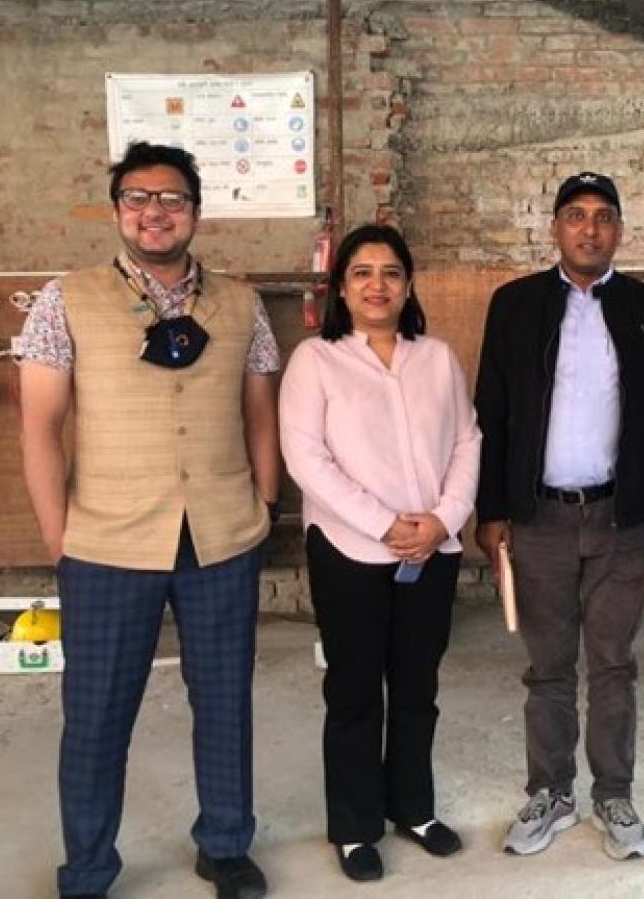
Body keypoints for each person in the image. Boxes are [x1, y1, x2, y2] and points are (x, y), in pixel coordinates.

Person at [17, 142, 279, 899]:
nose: (155, 211)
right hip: (105, 540)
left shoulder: (240, 302)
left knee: (225, 701)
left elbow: (260, 401)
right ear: (117, 209)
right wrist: (55, 534)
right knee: (96, 714)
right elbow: (39, 424)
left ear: (194, 211)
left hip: (222, 535)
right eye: (138, 197)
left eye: (171, 198)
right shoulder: (64, 299)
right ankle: (90, 865)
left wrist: (263, 497)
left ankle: (226, 843)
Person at [474, 172, 644, 860]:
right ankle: (552, 790)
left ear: (619, 230)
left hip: (621, 517)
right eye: (575, 216)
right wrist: (492, 509)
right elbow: (494, 412)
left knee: (614, 662)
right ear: (556, 227)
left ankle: (613, 793)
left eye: (602, 217)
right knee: (547, 665)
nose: (589, 229)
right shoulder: (515, 305)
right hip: (538, 516)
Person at [279, 224, 481, 882]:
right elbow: (306, 456)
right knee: (357, 689)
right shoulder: (317, 360)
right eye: (362, 271)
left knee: (417, 685)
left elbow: (467, 440)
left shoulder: (437, 357)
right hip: (348, 548)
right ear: (341, 286)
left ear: (409, 284)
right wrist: (385, 523)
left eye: (391, 271)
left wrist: (445, 517)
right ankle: (356, 823)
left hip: (433, 545)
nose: (377, 284)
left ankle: (412, 807)